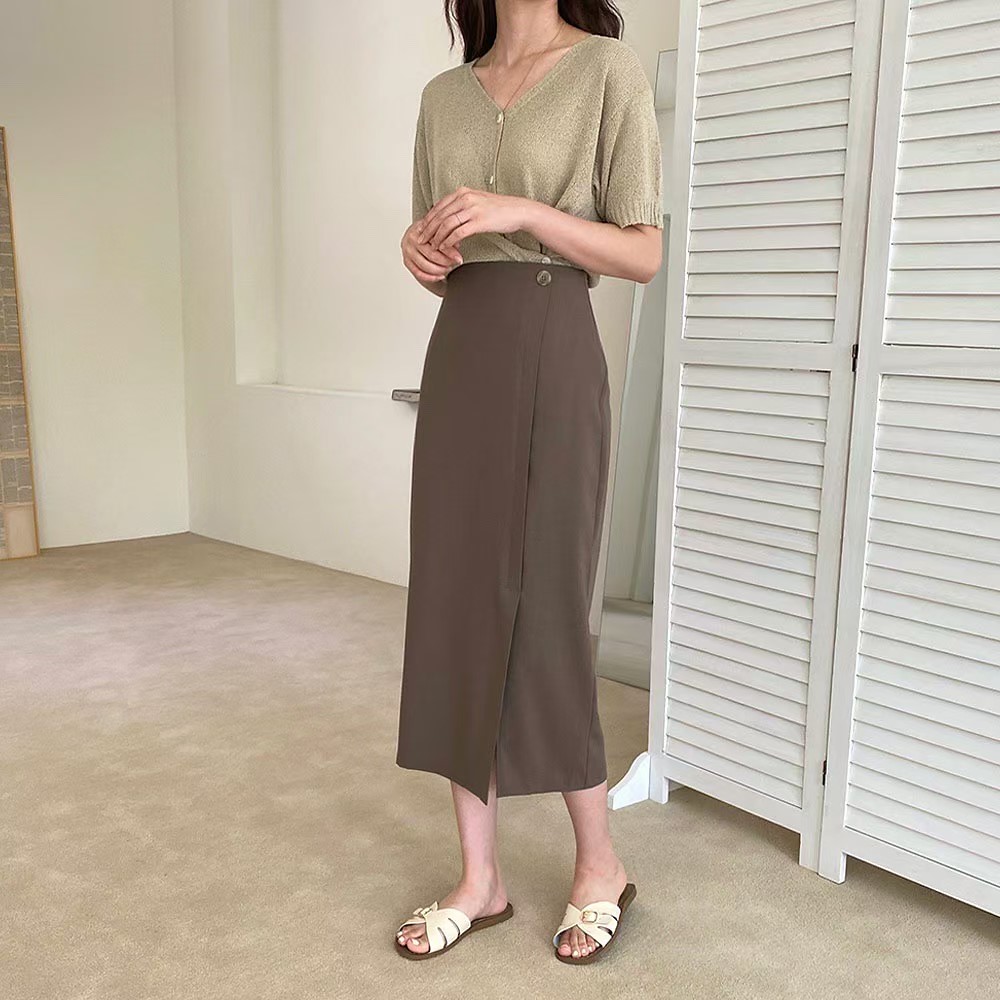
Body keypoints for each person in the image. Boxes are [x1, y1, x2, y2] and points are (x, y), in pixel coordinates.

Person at [394, 0, 663, 965]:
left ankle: (601, 864)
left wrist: (524, 212)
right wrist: (420, 256)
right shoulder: (442, 97)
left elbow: (642, 251)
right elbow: (441, 258)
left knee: (547, 602)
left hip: (556, 343)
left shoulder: (606, 71)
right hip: (464, 343)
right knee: (456, 600)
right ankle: (482, 880)